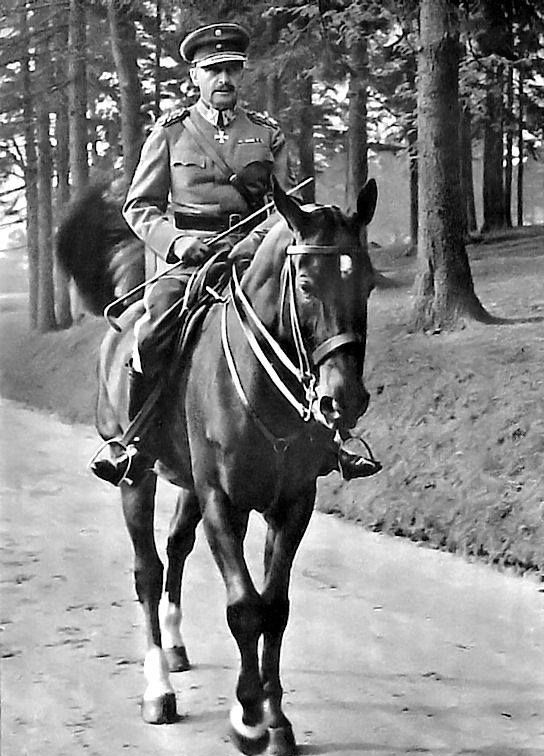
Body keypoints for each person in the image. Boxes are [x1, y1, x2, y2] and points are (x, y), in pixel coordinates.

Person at [92, 22, 381, 487]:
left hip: (254, 256)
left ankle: (332, 440)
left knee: (310, 323)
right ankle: (138, 443)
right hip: (188, 259)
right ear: (195, 78)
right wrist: (178, 243)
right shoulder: (170, 134)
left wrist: (253, 245)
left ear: (241, 74)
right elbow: (140, 207)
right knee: (152, 333)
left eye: (231, 69)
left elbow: (287, 207)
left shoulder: (265, 133)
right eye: (213, 71)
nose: (223, 79)